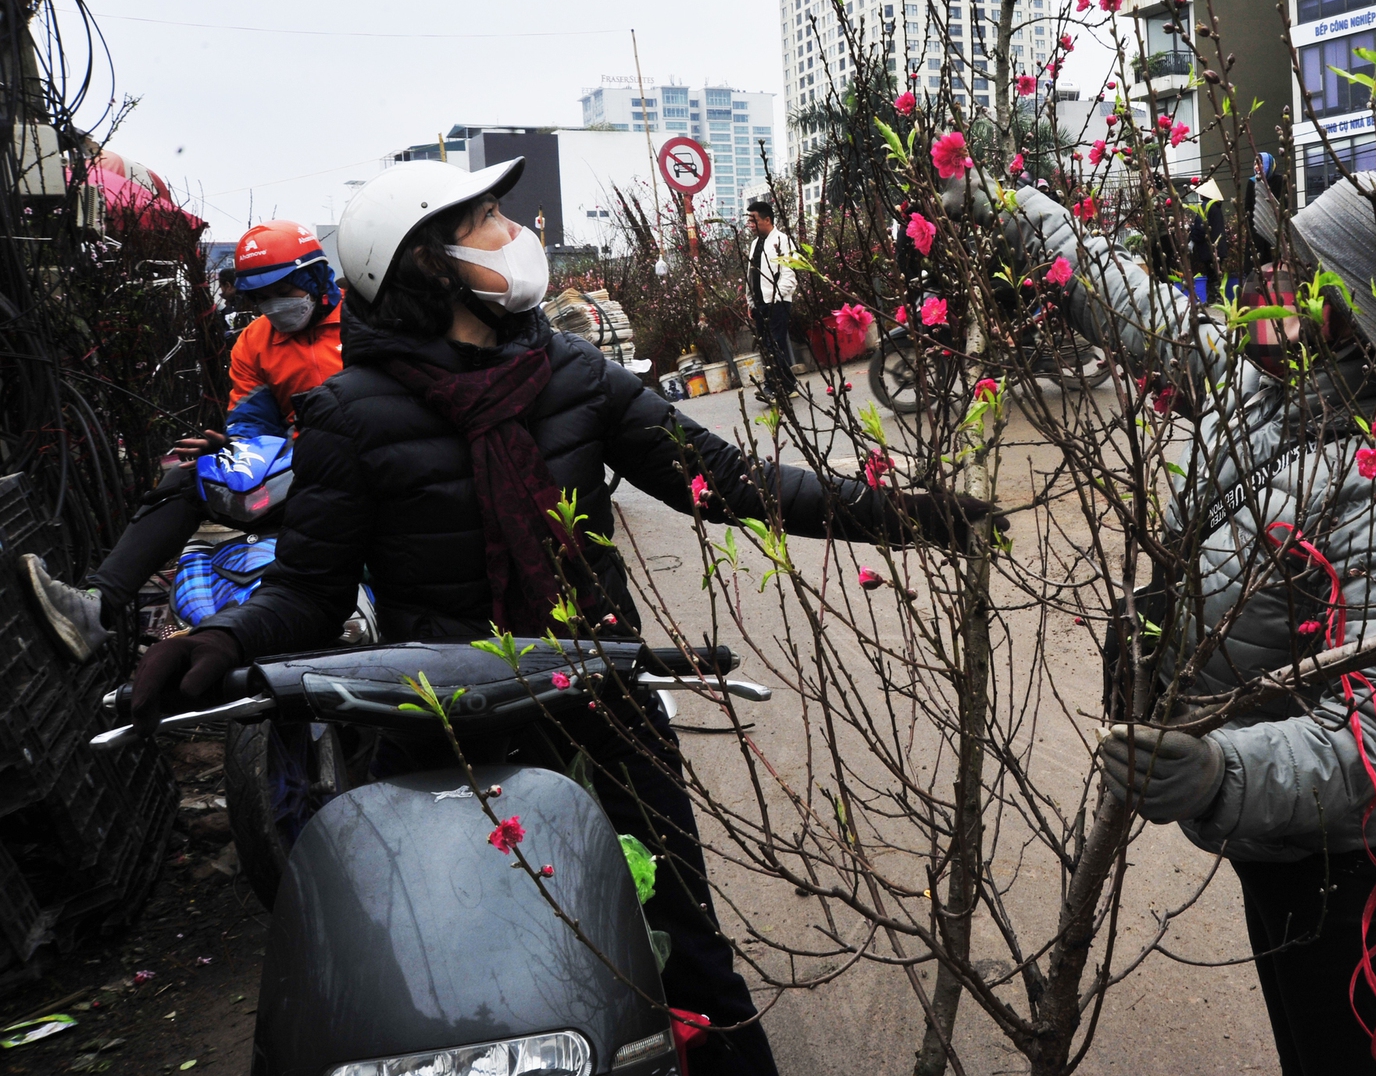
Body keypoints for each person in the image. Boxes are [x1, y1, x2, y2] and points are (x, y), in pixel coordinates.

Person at [125, 158, 994, 1076]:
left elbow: (729, 483)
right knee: (443, 983)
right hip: (437, 744)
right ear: (427, 264)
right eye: (490, 220)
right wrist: (222, 640)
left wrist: (914, 516)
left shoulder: (572, 375)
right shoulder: (350, 413)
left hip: (601, 710)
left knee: (688, 958)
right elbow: (310, 592)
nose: (516, 234)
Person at [972, 167, 1376, 1075]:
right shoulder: (1266, 395)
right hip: (1283, 840)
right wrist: (1009, 207)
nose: (1270, 287)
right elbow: (1138, 305)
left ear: (1367, 322)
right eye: (1279, 261)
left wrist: (1224, 770)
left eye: (1304, 275)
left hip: (1353, 878)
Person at [19, 220, 346, 662]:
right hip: (298, 473)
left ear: (313, 277)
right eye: (260, 298)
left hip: (366, 467)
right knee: (185, 479)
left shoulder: (365, 325)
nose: (272, 306)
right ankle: (96, 607)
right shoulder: (252, 342)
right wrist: (230, 453)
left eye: (281, 291)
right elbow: (251, 426)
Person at [744, 199, 798, 403]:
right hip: (759, 304)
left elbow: (789, 274)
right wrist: (750, 300)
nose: (751, 225)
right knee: (773, 346)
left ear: (767, 219)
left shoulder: (782, 240)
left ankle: (771, 388)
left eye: (754, 220)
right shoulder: (754, 244)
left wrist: (775, 300)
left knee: (772, 345)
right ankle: (789, 384)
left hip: (777, 303)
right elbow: (751, 274)